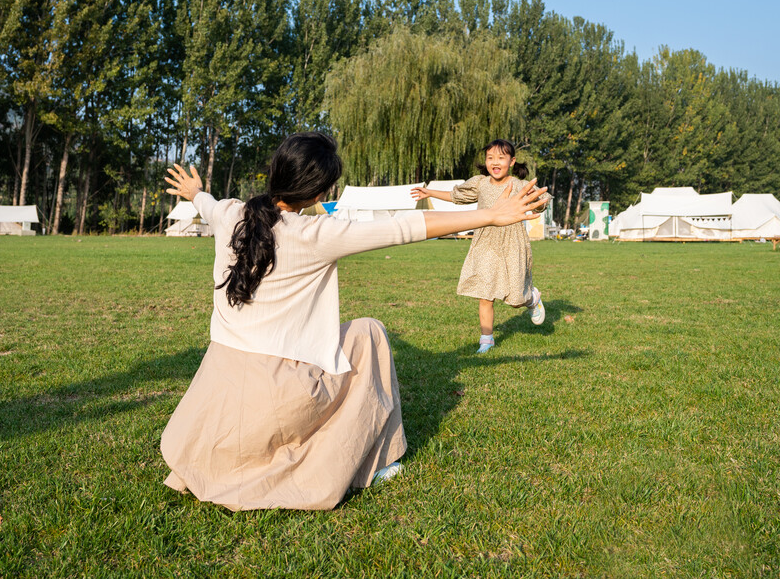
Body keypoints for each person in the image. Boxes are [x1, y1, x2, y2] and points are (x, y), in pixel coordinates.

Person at [161, 132, 547, 511]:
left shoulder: (231, 213)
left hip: (219, 392)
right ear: (318, 194)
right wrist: (491, 215)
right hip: (276, 399)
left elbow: (207, 204)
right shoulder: (316, 233)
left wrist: (195, 191)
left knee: (356, 337)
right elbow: (404, 228)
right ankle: (379, 461)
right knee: (370, 333)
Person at [411, 139, 550, 354]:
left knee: (515, 300)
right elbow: (456, 196)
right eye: (490, 157)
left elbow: (541, 198)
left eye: (501, 158)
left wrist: (541, 201)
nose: (495, 162)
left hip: (512, 242)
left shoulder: (519, 185)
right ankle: (486, 339)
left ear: (512, 162)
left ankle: (532, 298)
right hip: (485, 242)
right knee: (485, 293)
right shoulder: (480, 183)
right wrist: (430, 193)